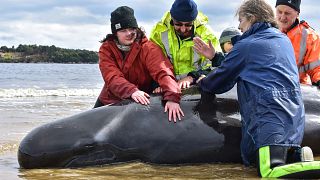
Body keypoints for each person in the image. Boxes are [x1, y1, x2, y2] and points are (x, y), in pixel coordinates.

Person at [197, 0, 320, 178]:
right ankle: (300, 158)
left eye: (240, 20)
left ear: (251, 18)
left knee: (269, 171)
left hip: (269, 120)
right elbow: (251, 63)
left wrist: (202, 81)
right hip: (293, 121)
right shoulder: (282, 40)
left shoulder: (247, 45)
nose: (239, 27)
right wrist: (216, 57)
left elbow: (219, 81)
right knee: (287, 168)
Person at [94, 6, 184, 122]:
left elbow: (163, 71)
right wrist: (131, 91)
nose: (129, 33)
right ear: (115, 33)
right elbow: (112, 77)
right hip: (110, 99)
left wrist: (173, 97)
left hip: (139, 100)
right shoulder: (106, 49)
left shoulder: (148, 47)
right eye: (123, 30)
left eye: (132, 29)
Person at [150, 0, 221, 90]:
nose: (183, 29)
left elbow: (214, 67)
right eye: (178, 24)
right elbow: (155, 63)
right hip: (167, 85)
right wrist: (159, 83)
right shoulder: (158, 33)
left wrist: (191, 77)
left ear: (194, 21)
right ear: (172, 18)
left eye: (188, 25)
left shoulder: (207, 35)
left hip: (196, 85)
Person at [275, 0, 320, 87]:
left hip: (297, 91)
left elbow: (316, 68)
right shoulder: (266, 32)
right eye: (279, 12)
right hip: (268, 89)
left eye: (287, 13)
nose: (282, 17)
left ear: (297, 14)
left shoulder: (309, 37)